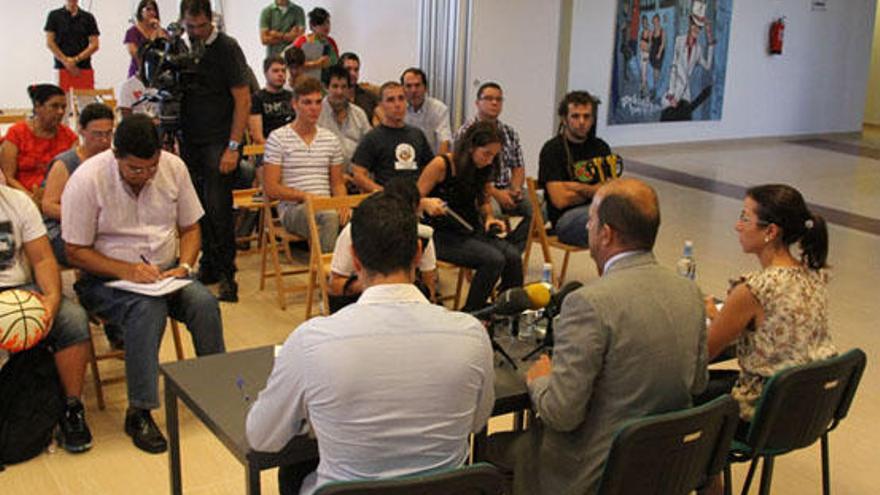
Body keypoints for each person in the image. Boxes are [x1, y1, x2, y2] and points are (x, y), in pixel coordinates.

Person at [246, 192, 494, 495]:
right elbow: (477, 421)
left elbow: (261, 438)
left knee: (294, 472)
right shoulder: (471, 335)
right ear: (418, 252)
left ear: (355, 258)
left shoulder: (313, 342)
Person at [487, 177, 708, 495]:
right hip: (668, 466)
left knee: (490, 453)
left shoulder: (589, 304)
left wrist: (540, 380)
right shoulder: (689, 291)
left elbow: (561, 414)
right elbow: (697, 384)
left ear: (606, 234)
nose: (588, 226)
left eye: (590, 219)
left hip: (594, 473)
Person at [62, 114, 226, 454]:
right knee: (147, 309)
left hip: (165, 275)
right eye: (135, 169)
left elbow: (191, 228)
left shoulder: (173, 168)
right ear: (116, 154)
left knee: (204, 303)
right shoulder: (88, 179)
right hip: (105, 281)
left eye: (151, 167)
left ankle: (217, 389)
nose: (145, 175)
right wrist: (125, 270)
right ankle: (140, 410)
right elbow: (75, 251)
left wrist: (183, 265)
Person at [0, 183, 93, 454]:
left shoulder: (17, 201)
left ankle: (71, 408)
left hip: (20, 291)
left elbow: (42, 259)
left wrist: (52, 299)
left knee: (72, 319)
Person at [178, 0, 251, 302]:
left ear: (211, 20)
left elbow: (243, 99)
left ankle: (227, 275)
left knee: (219, 209)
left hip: (219, 140)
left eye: (201, 26)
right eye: (190, 26)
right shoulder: (181, 47)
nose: (195, 32)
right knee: (196, 209)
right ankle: (207, 266)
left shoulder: (227, 47)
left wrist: (233, 146)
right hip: (191, 139)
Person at [418, 121, 522, 312]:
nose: (490, 160)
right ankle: (473, 313)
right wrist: (426, 203)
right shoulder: (442, 165)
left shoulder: (482, 167)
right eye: (486, 154)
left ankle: (506, 310)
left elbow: (483, 200)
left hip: (468, 229)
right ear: (471, 147)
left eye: (494, 155)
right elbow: (412, 198)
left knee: (513, 256)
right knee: (493, 259)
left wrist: (490, 217)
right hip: (440, 235)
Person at [263, 77, 347, 253]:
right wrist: (305, 196)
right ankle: (329, 276)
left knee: (362, 218)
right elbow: (271, 188)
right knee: (330, 217)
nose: (314, 108)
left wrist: (343, 204)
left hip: (325, 205)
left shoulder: (330, 139)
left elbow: (337, 183)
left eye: (317, 102)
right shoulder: (278, 138)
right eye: (307, 103)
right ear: (295, 104)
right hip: (294, 209)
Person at [328, 178, 437, 312]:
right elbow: (334, 285)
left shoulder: (422, 233)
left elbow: (429, 283)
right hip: (359, 304)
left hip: (406, 306)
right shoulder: (357, 230)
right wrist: (376, 285)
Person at [455, 82, 531, 251]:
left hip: (507, 188)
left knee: (540, 208)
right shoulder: (467, 131)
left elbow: (518, 166)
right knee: (493, 214)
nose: (494, 103)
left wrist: (515, 188)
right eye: (488, 98)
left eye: (498, 99)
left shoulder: (509, 132)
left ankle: (511, 249)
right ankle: (495, 251)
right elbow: (466, 173)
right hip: (480, 190)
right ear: (477, 103)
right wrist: (497, 194)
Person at [538, 90, 613, 247]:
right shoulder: (552, 150)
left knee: (628, 212)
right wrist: (596, 190)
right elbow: (560, 200)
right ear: (564, 119)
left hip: (597, 210)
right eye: (575, 116)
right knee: (614, 221)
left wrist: (580, 188)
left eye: (586, 116)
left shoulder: (601, 147)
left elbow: (612, 190)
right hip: (565, 221)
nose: (581, 122)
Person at [42, 102, 114, 265]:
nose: (104, 140)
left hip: (103, 227)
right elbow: (48, 205)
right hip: (63, 229)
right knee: (99, 252)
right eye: (97, 134)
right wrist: (86, 217)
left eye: (109, 134)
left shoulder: (114, 160)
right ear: (81, 130)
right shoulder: (66, 162)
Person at [351, 82, 434, 193]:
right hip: (387, 203)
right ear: (381, 105)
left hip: (416, 200)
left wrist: (421, 193)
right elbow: (358, 174)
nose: (397, 104)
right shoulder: (373, 137)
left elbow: (430, 169)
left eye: (401, 99)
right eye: (391, 100)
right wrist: (383, 193)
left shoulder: (417, 134)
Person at [0, 84, 77, 199]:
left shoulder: (70, 137)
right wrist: (30, 198)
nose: (61, 112)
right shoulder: (16, 133)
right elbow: (8, 177)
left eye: (63, 107)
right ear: (37, 106)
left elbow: (74, 176)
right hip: (21, 198)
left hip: (57, 197)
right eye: (54, 106)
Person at [317, 65, 370, 178]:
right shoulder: (315, 113)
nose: (339, 92)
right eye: (335, 86)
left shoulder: (359, 114)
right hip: (324, 177)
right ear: (326, 88)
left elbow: (369, 149)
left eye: (344, 87)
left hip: (356, 179)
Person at [663, 0, 714, 112]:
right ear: (690, 23)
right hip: (674, 92)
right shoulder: (679, 40)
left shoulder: (698, 49)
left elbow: (707, 66)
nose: (696, 29)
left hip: (686, 95)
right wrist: (671, 94)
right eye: (694, 25)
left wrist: (710, 41)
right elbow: (674, 67)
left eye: (699, 27)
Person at [44, 0, 100, 91]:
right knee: (62, 101)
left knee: (86, 101)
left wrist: (75, 60)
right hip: (61, 67)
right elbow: (50, 43)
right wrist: (66, 61)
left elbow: (94, 44)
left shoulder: (88, 17)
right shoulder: (54, 16)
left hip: (83, 67)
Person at [401, 67, 452, 155]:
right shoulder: (398, 108)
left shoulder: (439, 108)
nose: (413, 90)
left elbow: (444, 140)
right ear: (402, 89)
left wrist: (440, 164)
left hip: (430, 161)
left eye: (417, 85)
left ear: (425, 88)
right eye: (408, 86)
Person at [249, 55, 296, 144]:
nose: (280, 74)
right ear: (265, 73)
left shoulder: (292, 96)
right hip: (267, 148)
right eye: (275, 71)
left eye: (283, 71)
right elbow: (258, 137)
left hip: (292, 147)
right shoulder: (257, 98)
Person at [293, 7, 339, 86]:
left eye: (327, 22)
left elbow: (337, 63)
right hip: (306, 85)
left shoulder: (331, 42)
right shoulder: (302, 41)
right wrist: (316, 64)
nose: (326, 26)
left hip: (328, 85)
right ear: (312, 25)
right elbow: (293, 64)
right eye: (321, 23)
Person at [124, 0, 167, 78]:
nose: (152, 13)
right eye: (148, 9)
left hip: (158, 74)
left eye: (154, 10)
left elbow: (165, 47)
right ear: (140, 11)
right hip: (138, 72)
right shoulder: (132, 32)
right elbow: (134, 53)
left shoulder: (160, 30)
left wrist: (157, 28)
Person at [339, 52, 379, 126]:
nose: (353, 73)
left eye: (356, 70)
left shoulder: (370, 97)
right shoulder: (334, 97)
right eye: (348, 69)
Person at [649, 14, 666, 99]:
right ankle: (655, 87)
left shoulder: (662, 31)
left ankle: (655, 90)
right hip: (652, 53)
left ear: (659, 21)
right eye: (654, 21)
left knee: (656, 71)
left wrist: (659, 53)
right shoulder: (652, 32)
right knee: (654, 71)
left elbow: (663, 44)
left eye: (656, 21)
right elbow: (650, 43)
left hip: (659, 53)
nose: (655, 23)